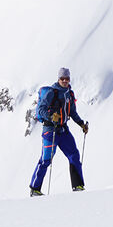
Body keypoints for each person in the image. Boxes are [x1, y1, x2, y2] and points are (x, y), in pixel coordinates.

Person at [29, 68, 89, 196]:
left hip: (63, 130)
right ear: (58, 79)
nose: (65, 81)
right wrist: (51, 116)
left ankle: (78, 186)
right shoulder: (51, 92)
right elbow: (40, 111)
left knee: (74, 155)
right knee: (46, 160)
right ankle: (35, 188)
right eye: (62, 78)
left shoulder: (69, 94)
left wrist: (81, 124)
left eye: (67, 78)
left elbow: (72, 112)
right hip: (50, 131)